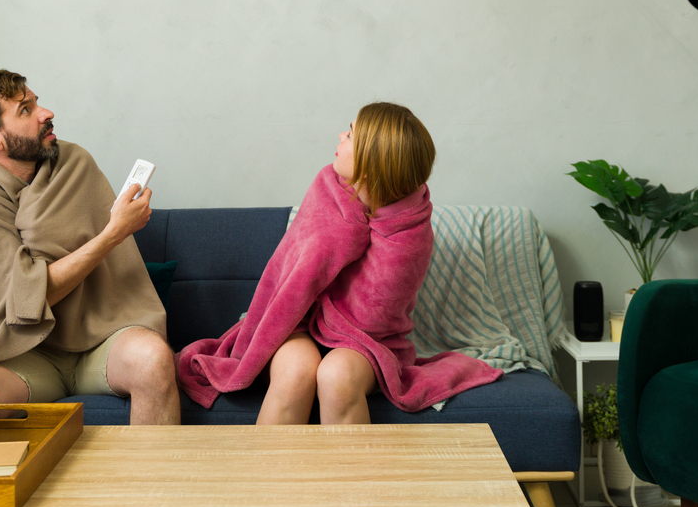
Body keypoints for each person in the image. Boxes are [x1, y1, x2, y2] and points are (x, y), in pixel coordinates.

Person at [177, 102, 501, 423]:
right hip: (295, 321)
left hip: (365, 340)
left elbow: (373, 319)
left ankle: (347, 475)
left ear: (372, 163)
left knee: (337, 376)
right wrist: (349, 229)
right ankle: (267, 475)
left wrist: (362, 231)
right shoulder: (327, 188)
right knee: (295, 370)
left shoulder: (408, 226)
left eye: (352, 135)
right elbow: (290, 279)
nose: (341, 135)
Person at [0, 70, 179, 424]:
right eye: (26, 110)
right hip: (24, 356)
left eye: (36, 102)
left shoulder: (73, 163)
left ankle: (150, 481)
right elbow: (26, 301)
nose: (46, 113)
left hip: (100, 341)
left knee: (153, 359)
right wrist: (113, 233)